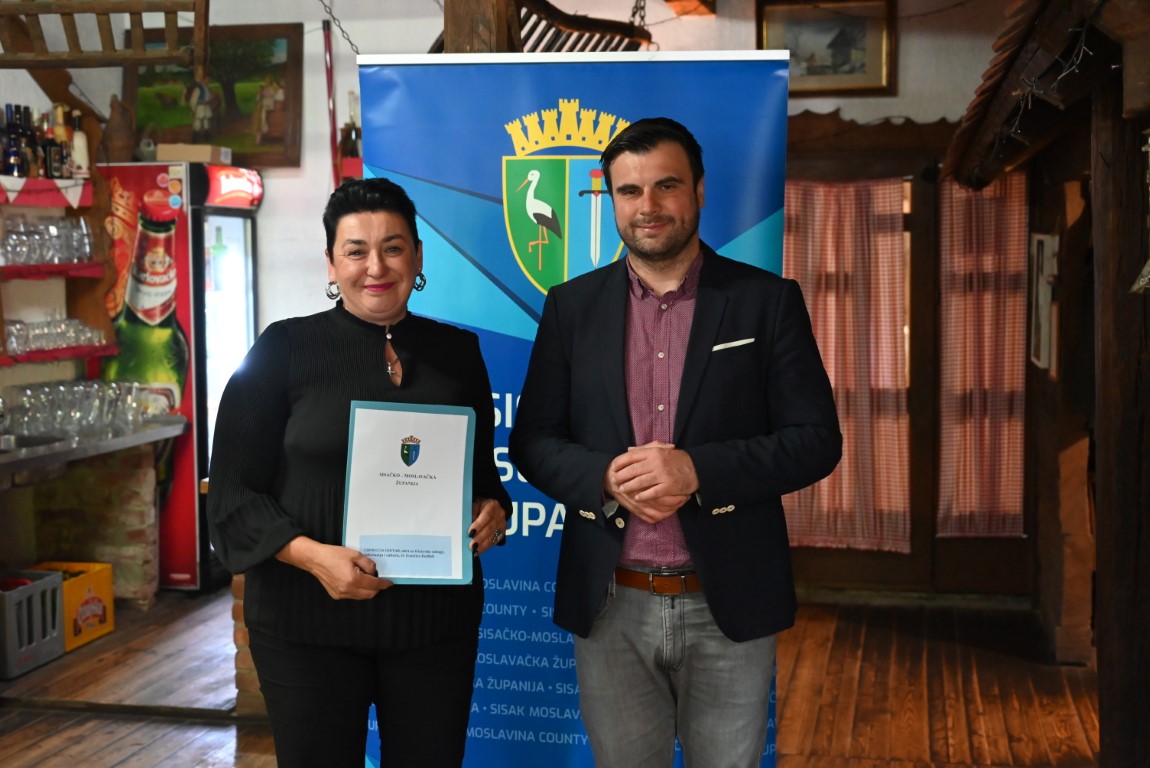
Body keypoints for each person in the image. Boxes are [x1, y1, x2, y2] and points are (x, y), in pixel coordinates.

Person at [509, 117, 841, 767]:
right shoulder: (571, 307)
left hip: (728, 602)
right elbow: (534, 440)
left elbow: (816, 441)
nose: (649, 206)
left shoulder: (765, 301)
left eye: (666, 185)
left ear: (700, 190)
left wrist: (698, 470)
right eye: (629, 191)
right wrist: (604, 478)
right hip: (610, 603)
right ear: (611, 200)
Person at [207, 177, 511, 767]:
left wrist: (491, 508)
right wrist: (313, 557)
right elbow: (232, 495)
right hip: (305, 623)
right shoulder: (282, 349)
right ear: (331, 262)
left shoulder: (458, 354)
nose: (376, 266)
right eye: (356, 250)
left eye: (393, 248)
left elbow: (478, 476)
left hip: (432, 625)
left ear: (417, 257)